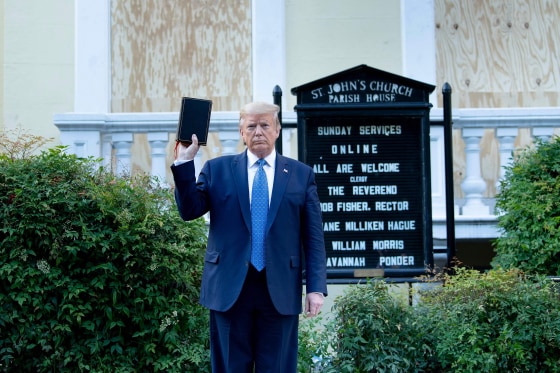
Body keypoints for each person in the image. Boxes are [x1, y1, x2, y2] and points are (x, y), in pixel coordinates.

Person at [171, 101, 327, 373]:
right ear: (241, 132)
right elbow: (189, 210)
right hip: (229, 289)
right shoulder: (217, 170)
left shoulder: (301, 175)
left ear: (277, 130)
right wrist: (185, 162)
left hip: (279, 290)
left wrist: (315, 287)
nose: (258, 132)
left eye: (265, 125)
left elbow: (313, 238)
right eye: (251, 126)